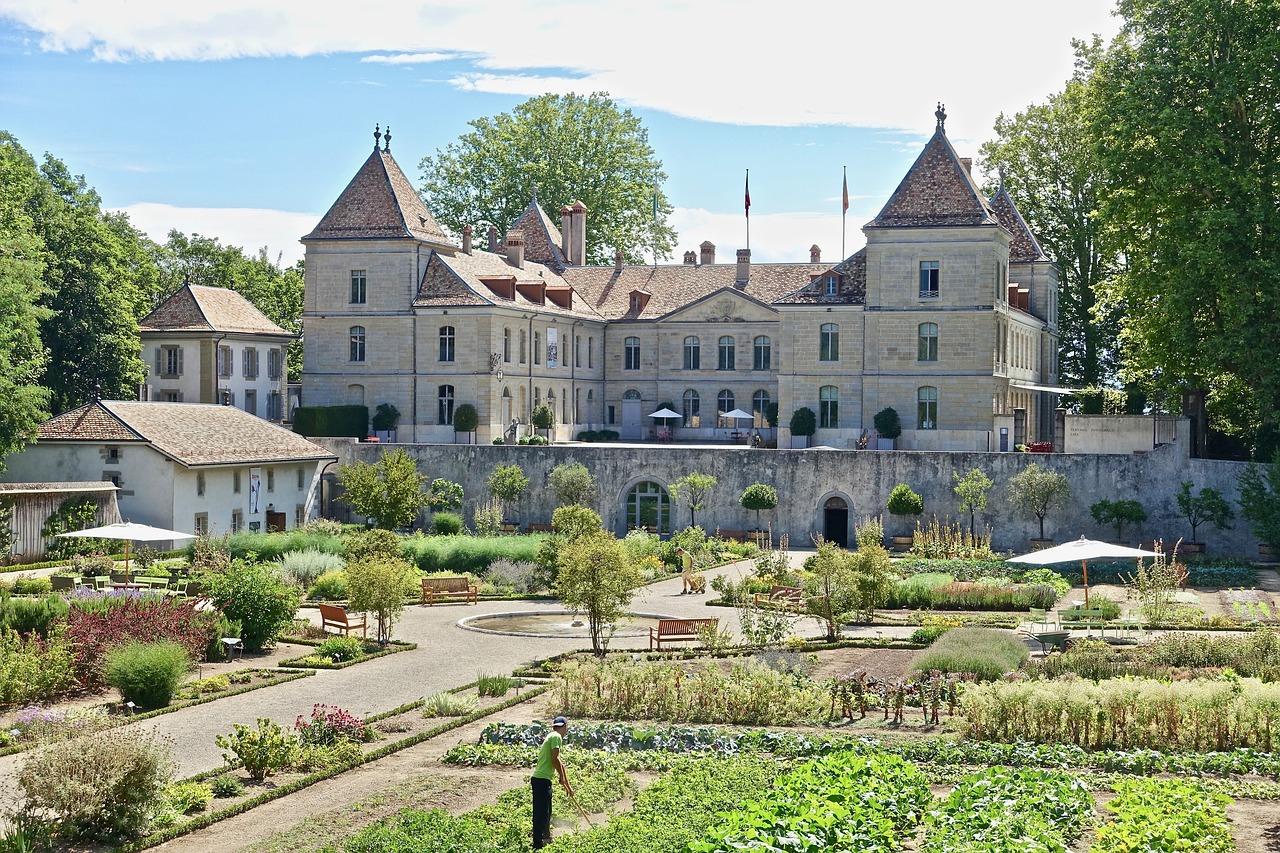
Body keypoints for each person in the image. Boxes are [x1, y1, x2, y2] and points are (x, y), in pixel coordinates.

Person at [532, 716, 573, 848]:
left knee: (546, 811)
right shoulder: (556, 737)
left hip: (542, 779)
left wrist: (565, 782)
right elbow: (555, 759)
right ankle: (538, 843)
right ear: (565, 727)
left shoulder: (551, 736)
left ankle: (546, 838)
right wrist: (563, 778)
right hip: (541, 780)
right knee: (541, 813)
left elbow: (558, 762)